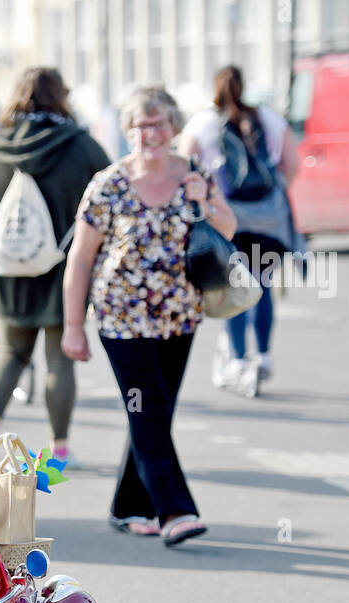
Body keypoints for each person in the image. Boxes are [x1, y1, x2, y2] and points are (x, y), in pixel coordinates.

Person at [61, 85, 236, 546]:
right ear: (128, 130)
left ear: (173, 127)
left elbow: (229, 227)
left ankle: (128, 505)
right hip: (122, 318)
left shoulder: (193, 174)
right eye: (140, 124)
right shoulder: (109, 183)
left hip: (179, 316)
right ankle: (175, 511)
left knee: (155, 414)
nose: (150, 133)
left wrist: (205, 201)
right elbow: (80, 258)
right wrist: (73, 326)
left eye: (158, 123)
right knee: (148, 408)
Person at [0, 67, 110, 468]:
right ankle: (59, 449)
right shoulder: (81, 146)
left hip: (8, 268)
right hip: (64, 269)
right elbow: (109, 200)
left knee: (12, 350)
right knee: (59, 358)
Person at [178, 65, 299, 396]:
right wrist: (273, 192)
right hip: (270, 219)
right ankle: (264, 356)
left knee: (236, 286)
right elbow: (292, 163)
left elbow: (184, 166)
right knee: (262, 285)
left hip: (228, 218)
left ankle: (238, 359)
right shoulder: (269, 118)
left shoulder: (203, 123)